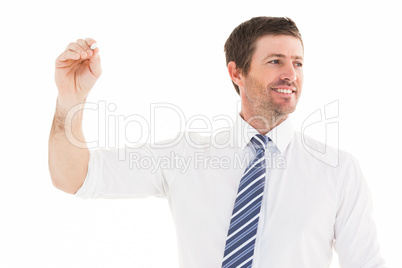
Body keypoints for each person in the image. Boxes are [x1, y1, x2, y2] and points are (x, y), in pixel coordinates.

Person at [48, 17, 385, 267]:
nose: (291, 74)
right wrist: (71, 99)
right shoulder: (185, 157)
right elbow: (74, 177)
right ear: (236, 73)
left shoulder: (338, 170)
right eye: (275, 61)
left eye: (297, 63)